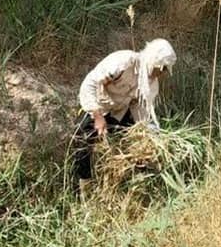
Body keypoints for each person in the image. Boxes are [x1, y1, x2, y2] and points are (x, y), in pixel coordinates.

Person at [73, 38, 177, 191]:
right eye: (162, 69)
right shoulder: (124, 62)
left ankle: (127, 188)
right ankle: (84, 188)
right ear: (154, 62)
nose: (162, 74)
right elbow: (90, 83)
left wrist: (150, 135)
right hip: (98, 107)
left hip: (120, 112)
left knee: (136, 149)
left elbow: (142, 111)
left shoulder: (150, 85)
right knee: (82, 142)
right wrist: (97, 115)